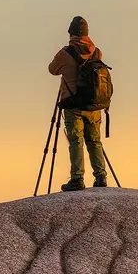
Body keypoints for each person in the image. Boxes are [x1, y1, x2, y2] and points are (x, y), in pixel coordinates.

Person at [48, 16, 108, 191]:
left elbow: (52, 69)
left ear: (71, 33)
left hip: (72, 104)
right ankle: (100, 176)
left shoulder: (65, 53)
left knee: (76, 141)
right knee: (95, 140)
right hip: (93, 104)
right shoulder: (97, 52)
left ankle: (77, 178)